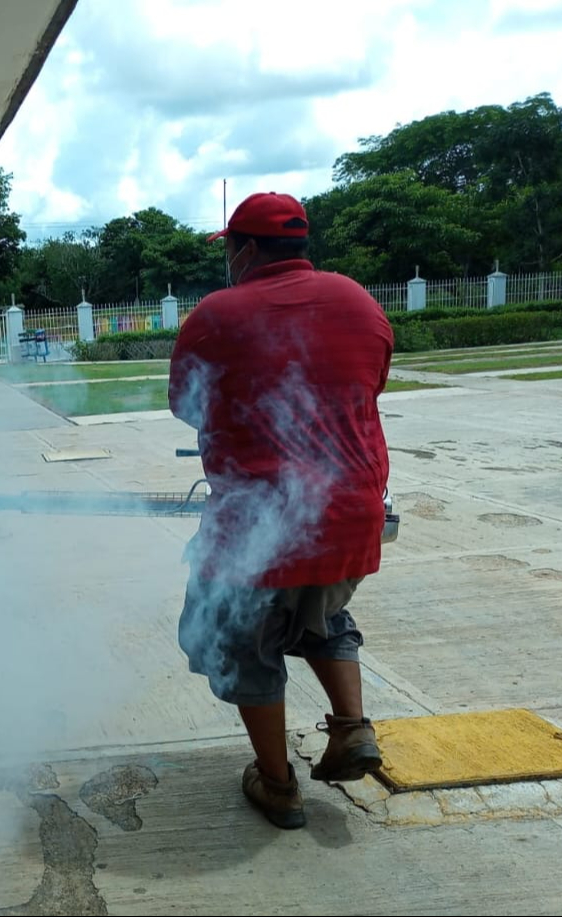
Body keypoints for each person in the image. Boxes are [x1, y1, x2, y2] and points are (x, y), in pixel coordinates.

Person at [167, 192, 394, 829]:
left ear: (245, 248)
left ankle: (277, 784)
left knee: (243, 643)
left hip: (256, 527)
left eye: (230, 250)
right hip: (352, 513)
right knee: (322, 613)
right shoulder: (357, 299)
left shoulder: (217, 314)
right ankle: (351, 727)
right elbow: (368, 387)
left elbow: (186, 404)